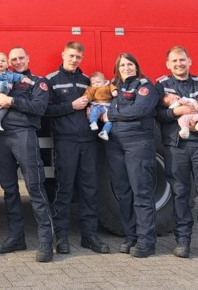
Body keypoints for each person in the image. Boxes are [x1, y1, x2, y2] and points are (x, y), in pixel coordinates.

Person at [156, 46, 198, 260]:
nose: (179, 64)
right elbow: (156, 113)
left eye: (182, 60)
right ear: (168, 64)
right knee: (180, 195)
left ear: (189, 61)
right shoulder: (162, 86)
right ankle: (183, 241)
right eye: (174, 61)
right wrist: (174, 111)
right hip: (177, 148)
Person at [0, 47, 55, 262]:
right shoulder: (1, 78)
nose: (17, 62)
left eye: (20, 58)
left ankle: (46, 241)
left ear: (28, 58)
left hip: (24, 134)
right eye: (13, 59)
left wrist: (12, 101)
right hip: (1, 137)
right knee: (9, 189)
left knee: (35, 186)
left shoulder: (38, 81)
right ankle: (17, 237)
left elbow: (39, 108)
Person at [45, 42, 110, 255]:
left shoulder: (87, 82)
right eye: (71, 56)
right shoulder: (52, 80)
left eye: (78, 57)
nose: (74, 60)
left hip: (88, 141)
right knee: (64, 189)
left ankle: (89, 236)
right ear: (63, 54)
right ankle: (61, 237)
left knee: (89, 189)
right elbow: (44, 109)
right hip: (65, 141)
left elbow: (102, 101)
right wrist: (70, 106)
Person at [104, 52, 158, 258]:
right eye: (122, 65)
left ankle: (146, 240)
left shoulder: (145, 86)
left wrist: (112, 115)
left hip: (138, 143)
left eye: (130, 64)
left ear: (136, 66)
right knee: (123, 192)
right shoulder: (115, 87)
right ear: (117, 69)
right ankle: (131, 236)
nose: (126, 68)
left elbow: (140, 109)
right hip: (115, 143)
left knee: (141, 191)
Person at [0, 52, 33, 132]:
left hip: (3, 95)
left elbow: (16, 76)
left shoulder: (9, 73)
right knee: (4, 106)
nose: (0, 62)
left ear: (7, 64)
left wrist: (23, 78)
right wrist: (5, 85)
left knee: (4, 106)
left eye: (3, 61)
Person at [83, 71, 118, 141]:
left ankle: (104, 132)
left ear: (104, 81)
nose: (96, 84)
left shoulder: (108, 85)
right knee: (94, 111)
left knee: (109, 120)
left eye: (99, 82)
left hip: (107, 106)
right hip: (97, 104)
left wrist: (114, 92)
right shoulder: (91, 88)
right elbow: (88, 95)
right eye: (93, 83)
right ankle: (93, 122)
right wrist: (87, 98)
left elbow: (113, 89)